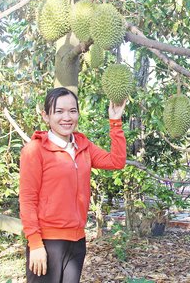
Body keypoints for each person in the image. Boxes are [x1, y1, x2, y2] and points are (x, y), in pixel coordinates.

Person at [19, 87, 127, 282]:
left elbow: (116, 161)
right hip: (47, 241)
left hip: (77, 241)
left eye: (72, 111)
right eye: (59, 111)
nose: (66, 117)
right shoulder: (34, 150)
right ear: (46, 116)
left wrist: (115, 121)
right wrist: (35, 243)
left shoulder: (83, 146)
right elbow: (28, 199)